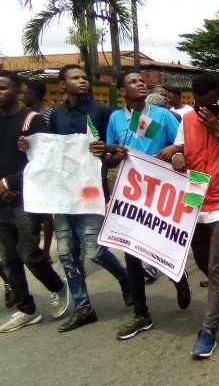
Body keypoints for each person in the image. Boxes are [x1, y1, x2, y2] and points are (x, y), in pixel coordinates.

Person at [20, 64, 132, 332]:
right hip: (61, 193)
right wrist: (28, 147)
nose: (82, 80)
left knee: (93, 250)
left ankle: (125, 278)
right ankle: (84, 308)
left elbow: (117, 148)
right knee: (66, 253)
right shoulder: (54, 116)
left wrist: (104, 150)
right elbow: (49, 151)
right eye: (75, 77)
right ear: (62, 85)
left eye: (84, 76)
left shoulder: (102, 111)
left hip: (90, 190)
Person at [168, 72, 219, 358]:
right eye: (200, 106)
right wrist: (177, 154)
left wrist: (218, 130)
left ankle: (208, 330)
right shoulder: (187, 119)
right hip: (194, 194)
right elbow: (180, 147)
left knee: (217, 266)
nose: (205, 111)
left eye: (213, 106)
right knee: (202, 261)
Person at [105, 70, 191, 341]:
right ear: (122, 90)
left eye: (142, 81)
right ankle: (141, 313)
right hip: (132, 192)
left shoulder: (163, 115)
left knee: (162, 242)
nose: (140, 83)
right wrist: (114, 154)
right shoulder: (116, 118)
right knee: (131, 251)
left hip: (160, 190)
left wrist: (174, 152)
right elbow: (109, 156)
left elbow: (184, 147)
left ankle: (178, 277)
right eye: (133, 81)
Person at [0, 70, 69, 333]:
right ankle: (26, 309)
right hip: (1, 201)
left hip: (27, 199)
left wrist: (9, 182)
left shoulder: (33, 121)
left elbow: (46, 162)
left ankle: (57, 286)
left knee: (28, 253)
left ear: (18, 91)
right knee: (9, 259)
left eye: (3, 87)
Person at [21, 79, 54, 264]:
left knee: (47, 212)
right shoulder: (24, 116)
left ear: (32, 94)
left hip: (46, 168)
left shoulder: (49, 115)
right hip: (29, 168)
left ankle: (46, 249)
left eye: (23, 92)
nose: (21, 95)